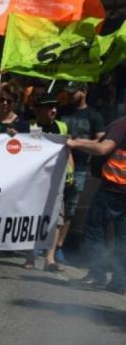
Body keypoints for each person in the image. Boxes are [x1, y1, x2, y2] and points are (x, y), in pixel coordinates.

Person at [67, 116, 126, 295]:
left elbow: (102, 148)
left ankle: (97, 275)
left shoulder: (122, 124)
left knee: (95, 231)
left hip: (113, 187)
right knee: (123, 238)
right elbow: (100, 141)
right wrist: (77, 141)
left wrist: (75, 145)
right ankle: (120, 281)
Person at [0, 80, 30, 279]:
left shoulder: (23, 124)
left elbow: (33, 148)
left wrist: (18, 138)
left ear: (15, 102)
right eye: (0, 99)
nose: (4, 104)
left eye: (8, 100)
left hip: (8, 179)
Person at [57, 82, 105, 263]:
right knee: (54, 203)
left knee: (70, 208)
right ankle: (46, 243)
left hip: (80, 168)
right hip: (58, 164)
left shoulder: (94, 116)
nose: (70, 95)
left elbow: (101, 142)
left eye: (74, 92)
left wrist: (78, 143)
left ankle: (60, 245)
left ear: (84, 92)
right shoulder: (63, 111)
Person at [28, 97, 71, 272]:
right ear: (38, 110)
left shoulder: (61, 126)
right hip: (36, 178)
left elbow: (67, 149)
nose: (53, 110)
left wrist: (70, 171)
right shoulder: (32, 126)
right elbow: (35, 149)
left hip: (56, 178)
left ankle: (49, 258)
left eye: (55, 107)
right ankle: (30, 256)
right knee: (32, 216)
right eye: (49, 107)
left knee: (57, 217)